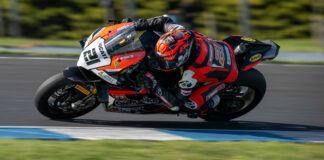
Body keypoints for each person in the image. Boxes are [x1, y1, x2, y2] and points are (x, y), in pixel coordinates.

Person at [133, 16, 238, 118]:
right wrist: (139, 24)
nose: (162, 63)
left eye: (166, 61)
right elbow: (164, 20)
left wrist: (154, 85)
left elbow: (176, 104)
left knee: (190, 106)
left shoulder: (190, 76)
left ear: (183, 57)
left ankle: (209, 105)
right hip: (223, 47)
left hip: (228, 74)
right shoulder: (180, 33)